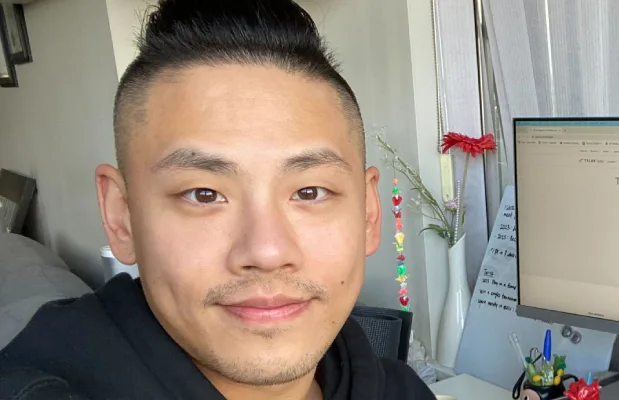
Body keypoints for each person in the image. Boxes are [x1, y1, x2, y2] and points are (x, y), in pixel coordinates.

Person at [0, 1, 434, 399]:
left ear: (368, 214)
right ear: (121, 217)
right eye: (203, 194)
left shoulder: (403, 391)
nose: (266, 252)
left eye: (309, 192)